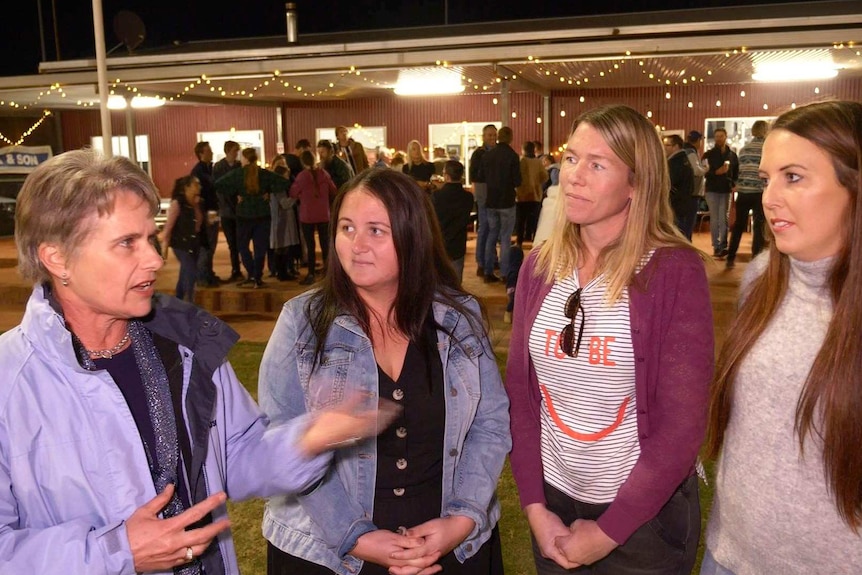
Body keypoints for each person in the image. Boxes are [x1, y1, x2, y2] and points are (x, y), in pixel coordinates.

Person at [0, 148, 397, 574]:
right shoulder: (10, 382)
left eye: (149, 238)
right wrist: (115, 554)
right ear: (56, 257)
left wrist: (310, 438)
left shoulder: (185, 346)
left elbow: (236, 460)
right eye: (126, 244)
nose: (155, 259)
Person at [259, 168, 511, 575]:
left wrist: (462, 519)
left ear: (413, 236)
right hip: (326, 551)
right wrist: (355, 536)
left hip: (449, 545)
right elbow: (280, 438)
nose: (357, 245)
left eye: (376, 230)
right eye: (346, 227)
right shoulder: (302, 322)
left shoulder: (458, 318)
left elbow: (491, 424)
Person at [507, 104, 714, 574]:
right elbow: (521, 393)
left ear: (636, 183)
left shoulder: (672, 271)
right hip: (555, 502)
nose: (574, 177)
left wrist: (609, 531)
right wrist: (535, 507)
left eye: (597, 165)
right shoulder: (539, 267)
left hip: (643, 519)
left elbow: (683, 423)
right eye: (573, 158)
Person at [701, 100, 862, 575]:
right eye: (767, 177)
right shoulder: (764, 276)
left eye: (793, 177)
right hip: (730, 555)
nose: (768, 197)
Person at [215, 147, 288, 288]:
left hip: (244, 215)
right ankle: (258, 277)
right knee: (260, 248)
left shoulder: (238, 174)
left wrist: (235, 194)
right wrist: (268, 191)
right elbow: (284, 182)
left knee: (242, 246)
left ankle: (252, 274)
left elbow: (219, 184)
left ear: (245, 159)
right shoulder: (263, 174)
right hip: (263, 214)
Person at [478, 126, 521, 284]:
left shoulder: (487, 156)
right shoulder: (513, 156)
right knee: (505, 238)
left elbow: (481, 176)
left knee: (491, 236)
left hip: (491, 201)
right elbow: (518, 181)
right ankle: (504, 273)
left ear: (498, 137)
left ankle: (488, 271)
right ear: (510, 138)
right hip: (507, 202)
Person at [725, 120, 768, 269]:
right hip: (759, 192)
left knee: (738, 226)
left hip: (743, 191)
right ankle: (756, 259)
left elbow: (737, 171)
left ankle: (730, 256)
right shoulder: (766, 149)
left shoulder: (744, 149)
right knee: (759, 226)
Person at [290, 149, 337, 285]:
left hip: (307, 215)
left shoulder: (302, 176)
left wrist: (302, 195)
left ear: (303, 162)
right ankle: (328, 274)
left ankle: (310, 274)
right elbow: (333, 190)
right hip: (323, 213)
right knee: (325, 245)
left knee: (310, 246)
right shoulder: (324, 174)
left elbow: (293, 192)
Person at [159, 174, 203, 302]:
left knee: (185, 273)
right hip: (181, 244)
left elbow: (198, 225)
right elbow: (169, 227)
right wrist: (164, 249)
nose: (199, 187)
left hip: (194, 243)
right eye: (196, 184)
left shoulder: (197, 202)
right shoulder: (178, 203)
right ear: (187, 187)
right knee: (190, 272)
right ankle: (189, 303)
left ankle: (178, 301)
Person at [430, 160, 474, 282]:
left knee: (438, 282)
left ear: (446, 176)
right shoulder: (468, 197)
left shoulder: (437, 196)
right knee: (456, 282)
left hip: (440, 243)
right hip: (458, 245)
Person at [703, 128, 739, 258]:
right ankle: (716, 246)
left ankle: (723, 245)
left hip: (726, 189)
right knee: (715, 217)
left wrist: (734, 183)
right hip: (712, 189)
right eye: (716, 136)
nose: (718, 138)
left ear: (726, 136)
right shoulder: (709, 154)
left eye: (721, 136)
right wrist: (715, 173)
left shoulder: (732, 155)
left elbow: (736, 171)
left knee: (724, 218)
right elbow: (704, 171)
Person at [190, 141, 221, 287]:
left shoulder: (209, 169)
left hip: (212, 210)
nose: (212, 153)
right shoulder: (198, 171)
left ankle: (208, 273)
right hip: (206, 211)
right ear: (201, 154)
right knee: (206, 244)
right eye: (209, 151)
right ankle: (202, 277)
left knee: (212, 243)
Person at [213, 140, 244, 282]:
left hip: (237, 210)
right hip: (227, 210)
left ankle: (239, 269)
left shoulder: (238, 166)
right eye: (234, 151)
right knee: (232, 243)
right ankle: (235, 269)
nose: (236, 154)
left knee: (240, 241)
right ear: (227, 152)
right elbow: (218, 188)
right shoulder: (219, 167)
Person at [470, 124, 498, 277]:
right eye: (489, 135)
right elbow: (475, 175)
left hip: (494, 193)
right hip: (483, 191)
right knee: (485, 227)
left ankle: (491, 259)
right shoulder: (478, 154)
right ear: (483, 137)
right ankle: (481, 262)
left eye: (494, 135)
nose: (492, 138)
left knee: (493, 228)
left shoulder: (499, 152)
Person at [269, 154, 301, 281]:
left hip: (283, 219)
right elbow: (284, 203)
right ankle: (281, 272)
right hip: (280, 220)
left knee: (284, 247)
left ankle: (284, 271)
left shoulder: (280, 188)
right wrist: (295, 197)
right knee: (281, 247)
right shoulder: (278, 189)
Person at [515, 141, 548, 247]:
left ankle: (519, 241)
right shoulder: (538, 162)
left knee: (521, 220)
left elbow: (517, 178)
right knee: (534, 220)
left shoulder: (521, 161)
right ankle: (534, 240)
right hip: (535, 195)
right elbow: (545, 176)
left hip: (522, 195)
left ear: (523, 150)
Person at [664, 133, 696, 239]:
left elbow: (669, 183)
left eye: (667, 145)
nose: (664, 148)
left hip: (676, 206)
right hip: (683, 205)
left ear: (676, 146)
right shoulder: (683, 160)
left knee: (678, 236)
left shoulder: (675, 163)